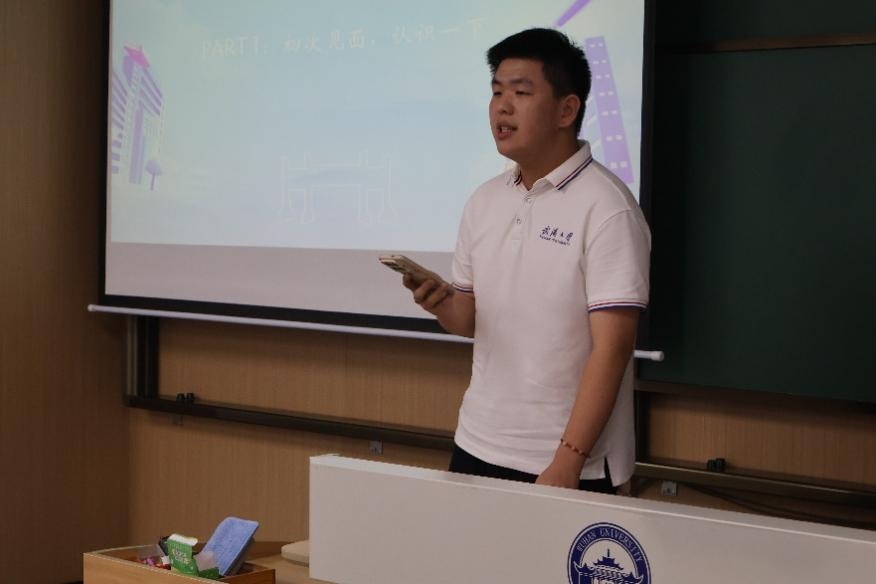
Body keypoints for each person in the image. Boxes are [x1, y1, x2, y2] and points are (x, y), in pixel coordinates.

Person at [403, 28, 650, 493]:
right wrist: (440, 302)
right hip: (477, 441)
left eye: (520, 92)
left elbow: (612, 348)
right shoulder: (484, 200)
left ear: (566, 110)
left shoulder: (608, 208)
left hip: (566, 462)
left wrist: (567, 461)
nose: (502, 107)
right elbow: (469, 320)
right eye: (496, 92)